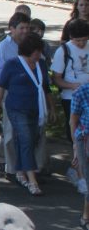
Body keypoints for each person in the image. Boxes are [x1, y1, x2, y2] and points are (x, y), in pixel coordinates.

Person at [0, 32, 55, 196]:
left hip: (36, 109)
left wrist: (52, 108)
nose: (40, 54)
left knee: (31, 139)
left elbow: (46, 88)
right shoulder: (12, 64)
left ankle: (20, 170)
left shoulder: (41, 64)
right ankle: (32, 180)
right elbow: (1, 87)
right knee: (26, 139)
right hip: (16, 108)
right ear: (31, 50)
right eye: (38, 51)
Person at [0, 11, 31, 177]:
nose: (24, 31)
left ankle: (29, 166)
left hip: (29, 94)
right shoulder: (4, 48)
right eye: (21, 28)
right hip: (10, 93)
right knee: (10, 130)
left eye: (27, 28)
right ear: (12, 29)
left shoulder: (29, 44)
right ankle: (12, 167)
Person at [52, 18, 89, 143]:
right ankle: (77, 155)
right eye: (78, 40)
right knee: (74, 128)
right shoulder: (63, 51)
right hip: (71, 97)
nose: (81, 43)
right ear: (71, 37)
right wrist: (71, 85)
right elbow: (56, 78)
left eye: (84, 40)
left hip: (87, 95)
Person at [70, 73, 89, 229]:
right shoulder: (81, 92)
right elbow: (73, 121)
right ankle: (86, 214)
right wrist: (75, 147)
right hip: (85, 141)